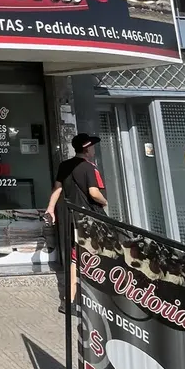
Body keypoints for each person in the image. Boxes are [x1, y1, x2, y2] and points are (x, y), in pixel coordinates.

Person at [43, 132, 107, 314]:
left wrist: (50, 209)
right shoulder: (87, 167)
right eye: (92, 146)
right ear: (87, 149)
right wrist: (105, 202)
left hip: (71, 219)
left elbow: (57, 189)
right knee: (93, 256)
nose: (94, 149)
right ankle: (87, 299)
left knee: (74, 258)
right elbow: (94, 193)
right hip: (89, 219)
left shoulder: (65, 165)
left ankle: (70, 300)